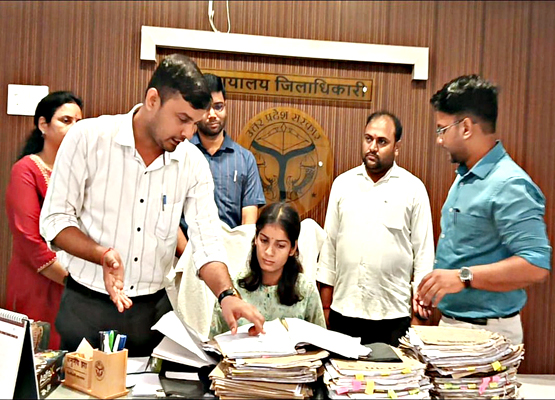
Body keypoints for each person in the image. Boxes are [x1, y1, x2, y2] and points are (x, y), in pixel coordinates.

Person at [39, 54, 264, 357]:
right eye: (182, 119)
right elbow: (54, 221)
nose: (188, 134)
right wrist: (101, 254)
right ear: (153, 99)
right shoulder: (89, 138)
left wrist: (227, 295)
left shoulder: (191, 162)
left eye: (194, 123)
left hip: (152, 313)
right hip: (86, 307)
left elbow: (207, 241)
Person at [416, 74, 551, 344]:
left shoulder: (510, 184)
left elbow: (536, 264)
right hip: (453, 324)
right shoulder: (465, 176)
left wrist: (463, 277)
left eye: (442, 130)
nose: (439, 140)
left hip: (486, 333)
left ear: (466, 127)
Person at [316, 111, 434, 346]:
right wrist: (326, 306)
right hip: (344, 310)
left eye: (382, 141)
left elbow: (423, 256)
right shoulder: (343, 184)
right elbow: (329, 248)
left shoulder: (413, 189)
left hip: (393, 315)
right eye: (368, 139)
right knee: (342, 371)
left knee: (393, 371)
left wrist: (419, 314)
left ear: (396, 147)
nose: (372, 147)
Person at [6, 91, 83, 350]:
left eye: (78, 122)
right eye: (66, 120)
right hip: (38, 281)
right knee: (37, 359)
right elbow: (29, 240)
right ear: (43, 124)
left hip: (75, 283)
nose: (74, 129)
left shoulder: (78, 172)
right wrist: (73, 283)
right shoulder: (26, 170)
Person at [177, 74, 265, 255]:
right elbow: (169, 215)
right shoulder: (180, 154)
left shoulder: (245, 160)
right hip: (185, 257)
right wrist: (190, 260)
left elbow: (248, 223)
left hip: (232, 256)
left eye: (218, 107)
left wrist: (238, 258)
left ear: (226, 105)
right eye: (206, 108)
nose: (212, 115)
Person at [210, 202, 325, 337]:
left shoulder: (306, 291)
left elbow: (321, 342)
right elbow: (213, 343)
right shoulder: (233, 289)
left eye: (280, 245)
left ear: (292, 248)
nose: (269, 252)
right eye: (264, 240)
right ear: (256, 239)